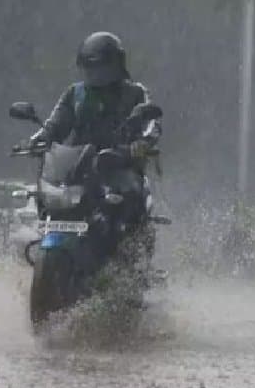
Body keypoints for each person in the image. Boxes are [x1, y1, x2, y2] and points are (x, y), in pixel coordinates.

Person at [28, 31, 161, 258]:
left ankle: (132, 265)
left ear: (117, 65)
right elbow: (56, 123)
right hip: (78, 166)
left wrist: (143, 141)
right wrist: (38, 139)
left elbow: (151, 123)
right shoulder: (75, 93)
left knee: (129, 201)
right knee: (49, 197)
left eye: (102, 68)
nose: (96, 74)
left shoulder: (135, 92)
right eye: (91, 68)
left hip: (120, 164)